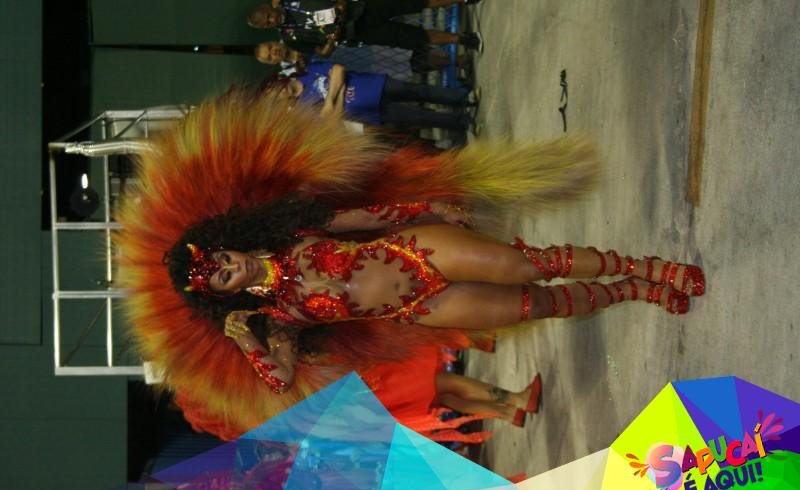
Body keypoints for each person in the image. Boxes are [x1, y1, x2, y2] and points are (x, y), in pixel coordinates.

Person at [115, 87, 703, 443]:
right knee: (536, 303)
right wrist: (247, 338)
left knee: (531, 266)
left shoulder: (292, 229)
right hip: (424, 306)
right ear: (224, 295)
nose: (231, 266)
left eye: (222, 255)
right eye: (222, 276)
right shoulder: (280, 322)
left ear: (227, 240)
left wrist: (427, 207)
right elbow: (282, 381)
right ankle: (634, 290)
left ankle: (647, 267)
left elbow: (361, 217)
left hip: (414, 248)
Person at [269, 61, 478, 131]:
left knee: (419, 91)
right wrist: (338, 90)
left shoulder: (308, 72)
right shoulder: (303, 109)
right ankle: (464, 122)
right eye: (274, 97)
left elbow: (339, 70)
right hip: (370, 112)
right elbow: (333, 117)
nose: (279, 93)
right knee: (420, 116)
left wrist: (330, 100)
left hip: (375, 85)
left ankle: (464, 98)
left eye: (275, 89)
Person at [246, 0, 484, 59]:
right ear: (266, 28)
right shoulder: (290, 38)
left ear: (268, 7)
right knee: (413, 38)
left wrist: (340, 5)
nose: (271, 19)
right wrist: (332, 41)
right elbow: (322, 52)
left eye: (268, 14)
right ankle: (462, 39)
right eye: (267, 23)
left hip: (362, 7)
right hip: (358, 32)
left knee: (416, 2)